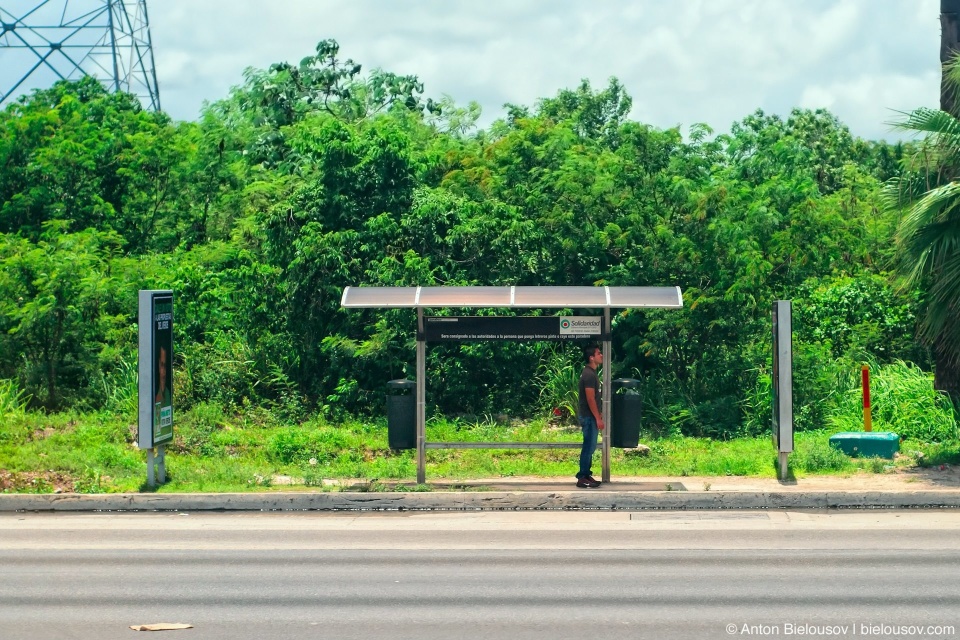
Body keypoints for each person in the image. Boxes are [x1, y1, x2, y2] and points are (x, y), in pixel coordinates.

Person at [576, 344, 604, 488]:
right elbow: (590, 398)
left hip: (591, 416)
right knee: (588, 447)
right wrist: (598, 418)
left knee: (591, 447)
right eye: (599, 353)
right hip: (588, 417)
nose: (602, 355)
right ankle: (582, 476)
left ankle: (587, 474)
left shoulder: (592, 373)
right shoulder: (588, 374)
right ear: (591, 357)